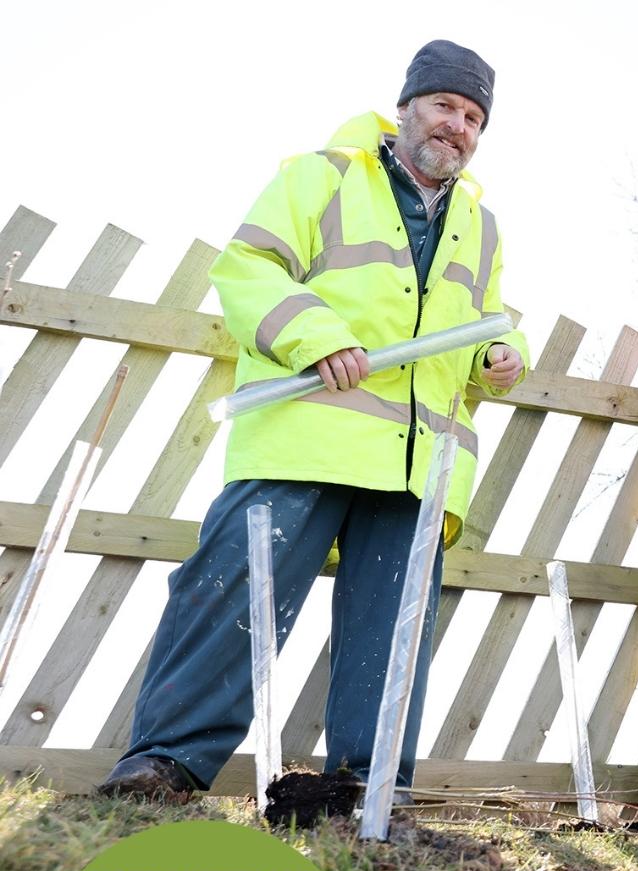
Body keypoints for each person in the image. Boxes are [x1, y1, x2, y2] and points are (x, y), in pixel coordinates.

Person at [98, 40, 530, 802]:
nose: (457, 126)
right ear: (405, 107)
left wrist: (501, 352)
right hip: (309, 430)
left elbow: (488, 321)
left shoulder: (483, 226)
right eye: (443, 106)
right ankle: (165, 764)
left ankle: (369, 787)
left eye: (472, 117)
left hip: (415, 459)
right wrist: (318, 336)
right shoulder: (319, 176)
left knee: (393, 632)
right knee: (238, 588)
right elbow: (248, 270)